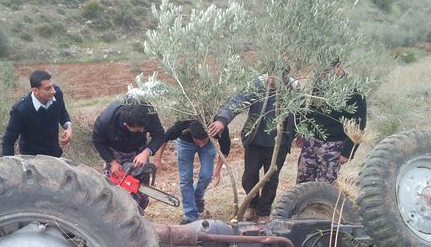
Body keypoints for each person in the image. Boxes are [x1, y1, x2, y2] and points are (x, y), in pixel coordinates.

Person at [210, 74, 296, 223]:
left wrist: (298, 133)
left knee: (271, 180)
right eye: (269, 76)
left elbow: (299, 113)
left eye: (274, 77)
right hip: (255, 141)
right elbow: (238, 101)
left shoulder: (293, 87)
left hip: (279, 144)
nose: (270, 80)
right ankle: (252, 203)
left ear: (283, 77)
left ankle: (264, 212)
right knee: (249, 176)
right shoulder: (257, 84)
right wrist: (223, 120)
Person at [296, 60, 366, 184]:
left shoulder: (355, 93)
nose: (325, 74)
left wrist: (347, 152)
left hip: (334, 147)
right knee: (302, 183)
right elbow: (311, 110)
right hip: (311, 142)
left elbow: (359, 125)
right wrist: (302, 132)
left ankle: (319, 204)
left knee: (324, 186)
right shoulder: (320, 85)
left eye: (328, 70)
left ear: (339, 67)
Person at [92, 97, 165, 210]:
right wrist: (112, 162)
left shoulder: (148, 112)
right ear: (126, 124)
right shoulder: (105, 121)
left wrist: (147, 152)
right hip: (114, 151)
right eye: (138, 128)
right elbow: (98, 141)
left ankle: (138, 214)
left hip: (139, 149)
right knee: (110, 191)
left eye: (143, 128)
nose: (142, 131)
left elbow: (159, 135)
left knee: (141, 194)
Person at [154, 120, 230, 224]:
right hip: (185, 144)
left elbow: (225, 150)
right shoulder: (181, 126)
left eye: (204, 141)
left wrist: (217, 170)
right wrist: (157, 159)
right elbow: (164, 139)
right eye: (199, 142)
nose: (201, 145)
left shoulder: (218, 128)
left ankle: (197, 198)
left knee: (207, 175)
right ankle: (190, 216)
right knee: (186, 179)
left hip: (210, 144)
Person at [2, 70, 72, 157]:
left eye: (52, 86)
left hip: (55, 155)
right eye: (48, 88)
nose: (53, 91)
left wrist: (68, 128)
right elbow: (8, 141)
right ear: (35, 90)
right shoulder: (21, 110)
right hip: (32, 160)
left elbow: (62, 112)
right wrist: (10, 167)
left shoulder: (57, 94)